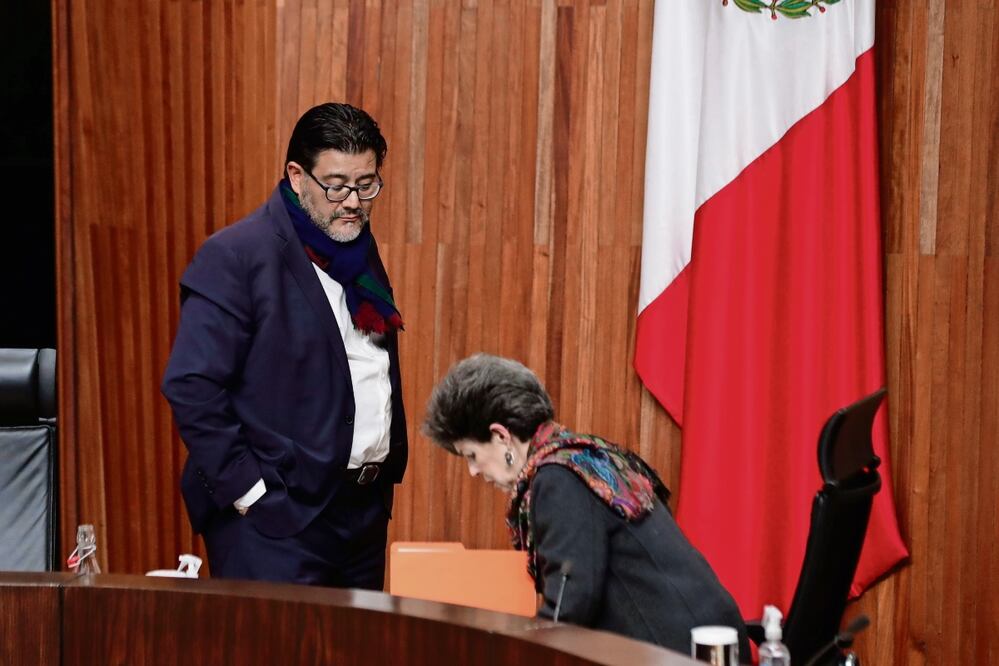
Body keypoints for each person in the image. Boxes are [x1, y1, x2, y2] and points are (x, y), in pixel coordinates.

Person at [162, 103, 407, 589]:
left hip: (360, 515)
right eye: (336, 185)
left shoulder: (354, 247)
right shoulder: (236, 255)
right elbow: (192, 383)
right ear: (297, 177)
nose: (353, 201)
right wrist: (250, 493)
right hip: (276, 523)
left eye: (366, 184)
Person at [422, 353, 750, 658]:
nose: (473, 471)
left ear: (501, 436)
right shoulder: (584, 456)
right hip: (704, 638)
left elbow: (570, 605)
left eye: (471, 455)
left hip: (679, 652)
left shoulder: (556, 480)